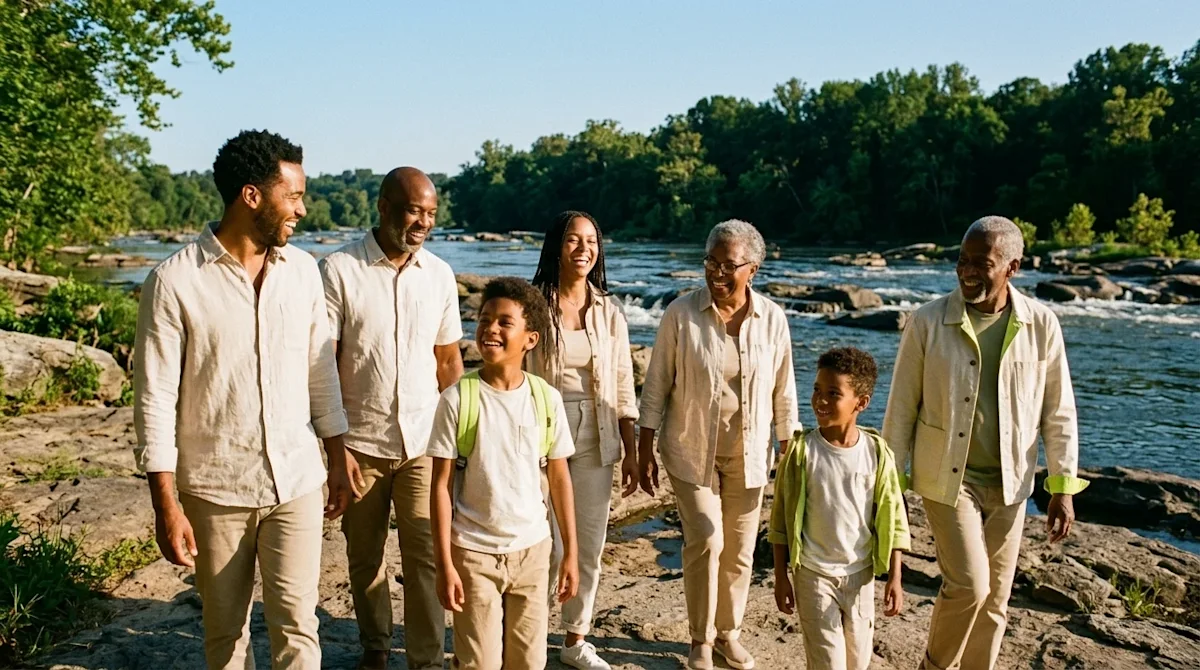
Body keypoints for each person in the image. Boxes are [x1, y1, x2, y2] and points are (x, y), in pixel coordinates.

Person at [133, 129, 357, 670]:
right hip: (215, 489)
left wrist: (337, 450)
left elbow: (319, 369)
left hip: (296, 481)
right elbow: (155, 398)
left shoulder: (304, 272)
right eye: (294, 195)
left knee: (300, 628)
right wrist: (166, 504)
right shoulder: (173, 282)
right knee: (224, 635)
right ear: (251, 196)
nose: (302, 209)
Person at [882, 216, 1089, 670]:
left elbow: (1058, 411)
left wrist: (1062, 487)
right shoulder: (928, 321)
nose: (967, 270)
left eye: (982, 262)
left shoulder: (1042, 324)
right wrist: (888, 486)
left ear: (1013, 267)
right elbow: (900, 409)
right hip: (948, 480)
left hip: (1013, 484)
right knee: (969, 586)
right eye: (962, 259)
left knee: (995, 601)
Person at [637, 220, 800, 670]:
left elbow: (784, 391)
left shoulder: (773, 319)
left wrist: (789, 448)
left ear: (753, 269)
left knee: (740, 550)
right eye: (710, 261)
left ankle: (728, 634)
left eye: (728, 265)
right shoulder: (680, 313)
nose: (716, 272)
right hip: (690, 450)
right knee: (707, 539)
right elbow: (655, 386)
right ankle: (699, 641)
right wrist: (643, 446)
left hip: (750, 454)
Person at [319, 167, 463, 669]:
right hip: (360, 441)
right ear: (382, 207)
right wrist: (335, 450)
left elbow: (448, 362)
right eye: (412, 210)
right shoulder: (338, 271)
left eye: (430, 214)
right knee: (365, 556)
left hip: (424, 441)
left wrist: (462, 439)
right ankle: (375, 647)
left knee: (426, 555)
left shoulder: (441, 275)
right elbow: (325, 365)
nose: (422, 222)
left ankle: (426, 660)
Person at [428, 277, 580, 670]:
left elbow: (560, 478)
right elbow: (441, 488)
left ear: (531, 338)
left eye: (504, 322)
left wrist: (571, 553)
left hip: (533, 551)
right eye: (484, 319)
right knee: (479, 663)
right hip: (474, 553)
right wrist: (445, 562)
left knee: (529, 662)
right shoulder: (457, 399)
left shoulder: (546, 399)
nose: (490, 329)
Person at [526, 210, 638, 670]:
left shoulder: (608, 310)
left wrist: (632, 449)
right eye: (574, 240)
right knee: (541, 539)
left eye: (591, 241)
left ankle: (574, 640)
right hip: (539, 434)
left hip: (595, 431)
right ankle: (529, 632)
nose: (584, 249)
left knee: (588, 541)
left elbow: (624, 382)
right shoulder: (532, 304)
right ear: (556, 245)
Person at [770, 347, 910, 670]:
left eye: (833, 393)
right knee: (827, 665)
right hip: (814, 574)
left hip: (860, 576)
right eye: (817, 390)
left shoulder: (877, 453)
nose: (820, 400)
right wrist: (780, 575)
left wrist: (895, 576)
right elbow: (779, 520)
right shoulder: (802, 452)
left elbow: (894, 516)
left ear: (861, 403)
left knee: (857, 663)